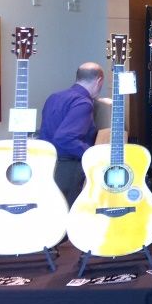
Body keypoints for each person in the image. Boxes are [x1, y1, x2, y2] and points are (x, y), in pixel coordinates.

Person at [38, 62, 105, 204]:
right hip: (68, 168)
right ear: (99, 80)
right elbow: (65, 138)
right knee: (70, 214)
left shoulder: (54, 97)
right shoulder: (84, 103)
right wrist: (93, 155)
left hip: (47, 165)